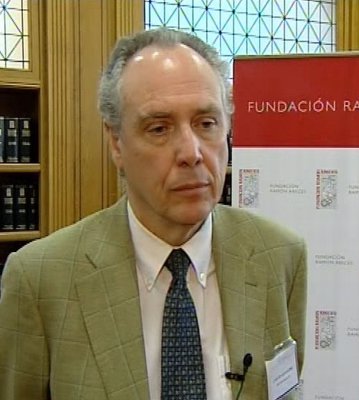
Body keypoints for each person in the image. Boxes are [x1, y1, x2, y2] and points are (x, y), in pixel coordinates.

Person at [0, 27, 307, 400]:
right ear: (116, 143)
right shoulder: (41, 281)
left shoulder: (279, 255)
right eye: (159, 128)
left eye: (206, 123)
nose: (191, 153)